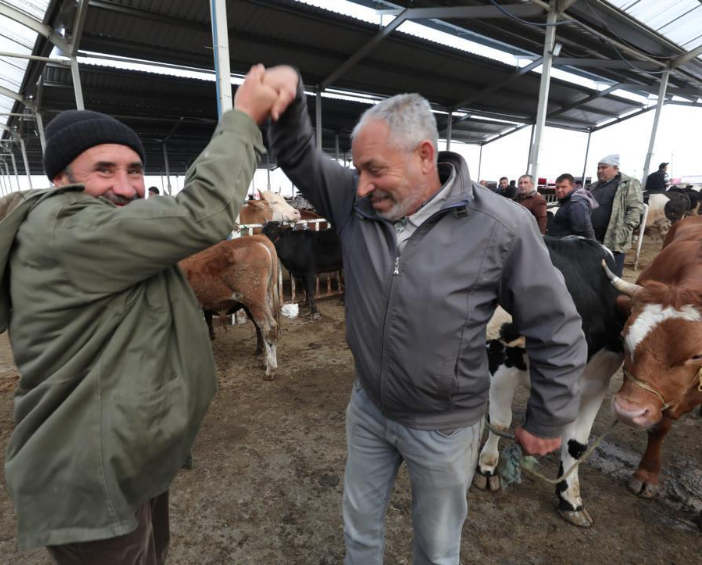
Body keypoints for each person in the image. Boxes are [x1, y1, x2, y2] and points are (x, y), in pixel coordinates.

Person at [0, 64, 290, 563]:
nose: (128, 186)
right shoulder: (63, 225)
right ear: (60, 180)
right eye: (104, 169)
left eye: (135, 170)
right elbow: (202, 214)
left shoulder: (101, 234)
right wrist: (242, 118)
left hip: (126, 455)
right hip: (90, 470)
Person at [265, 66, 586, 565]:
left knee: (436, 549)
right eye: (358, 169)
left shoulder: (500, 225)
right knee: (360, 533)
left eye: (375, 169)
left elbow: (556, 326)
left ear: (424, 156)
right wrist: (288, 106)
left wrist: (548, 414)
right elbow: (299, 155)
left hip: (444, 426)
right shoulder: (357, 206)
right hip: (369, 409)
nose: (362, 185)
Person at [586, 154, 642, 276]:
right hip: (593, 237)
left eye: (604, 167)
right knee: (592, 271)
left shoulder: (627, 184)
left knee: (612, 274)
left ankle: (612, 295)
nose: (600, 171)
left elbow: (635, 208)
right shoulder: (593, 186)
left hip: (613, 238)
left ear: (615, 168)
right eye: (598, 168)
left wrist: (624, 230)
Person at [547, 173, 596, 239]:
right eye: (557, 187)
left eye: (563, 187)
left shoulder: (576, 203)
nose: (559, 190)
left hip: (567, 246)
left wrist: (590, 247)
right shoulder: (568, 200)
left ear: (573, 186)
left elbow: (584, 231)